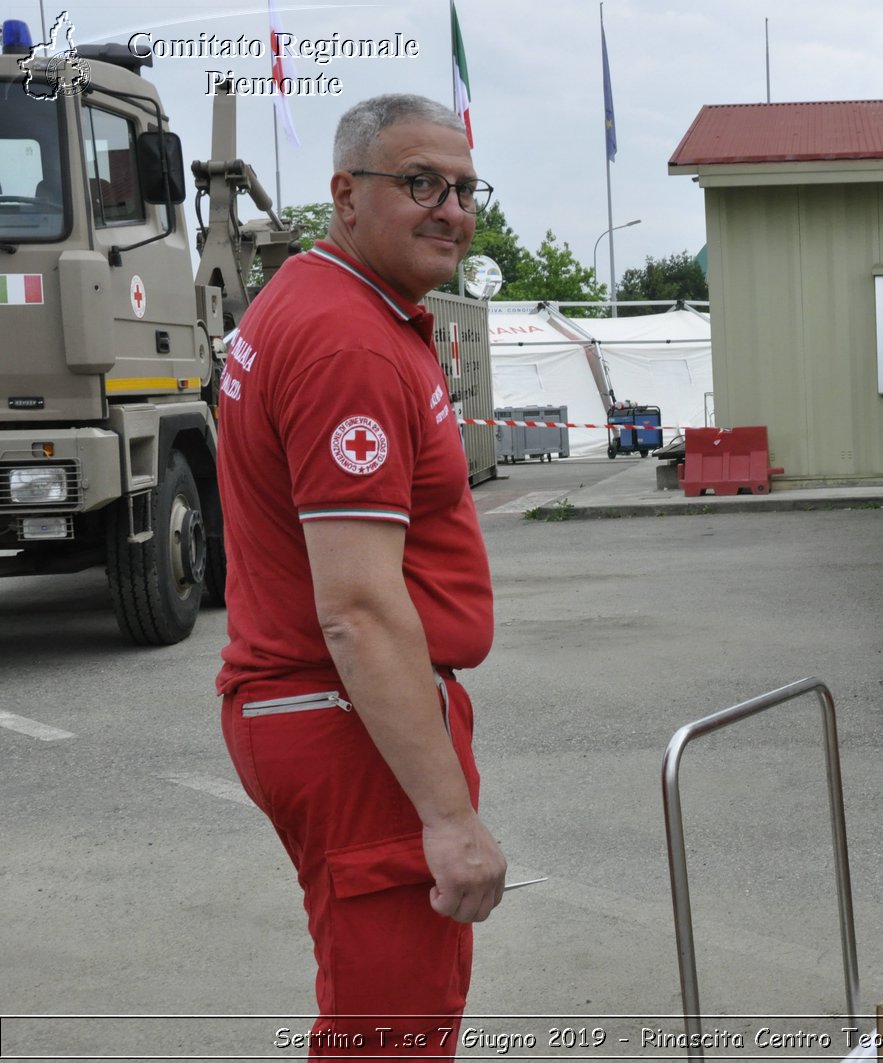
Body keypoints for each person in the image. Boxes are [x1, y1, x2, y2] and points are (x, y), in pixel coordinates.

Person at [215, 94, 505, 1059]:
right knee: (394, 1032)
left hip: (313, 706)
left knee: (380, 1018)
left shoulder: (309, 295)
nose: (451, 209)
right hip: (345, 716)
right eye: (420, 183)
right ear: (345, 195)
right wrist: (450, 819)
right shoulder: (350, 342)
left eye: (464, 189)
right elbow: (360, 610)